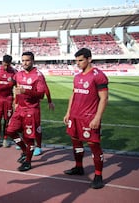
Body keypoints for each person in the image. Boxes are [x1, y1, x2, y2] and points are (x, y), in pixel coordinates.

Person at [63, 48, 108, 189]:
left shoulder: (98, 75)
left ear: (89, 59)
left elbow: (104, 98)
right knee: (76, 142)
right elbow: (74, 95)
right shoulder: (77, 76)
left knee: (94, 145)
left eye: (80, 60)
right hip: (75, 117)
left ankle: (98, 175)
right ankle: (78, 167)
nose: (78, 63)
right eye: (76, 61)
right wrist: (68, 112)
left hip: (89, 118)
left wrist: (97, 118)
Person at [6, 51, 47, 172]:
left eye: (27, 60)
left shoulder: (38, 75)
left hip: (32, 110)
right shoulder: (19, 74)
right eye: (23, 60)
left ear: (33, 61)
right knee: (10, 131)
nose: (24, 63)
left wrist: (26, 92)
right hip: (20, 109)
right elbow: (14, 86)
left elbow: (41, 95)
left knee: (29, 137)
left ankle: (28, 162)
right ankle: (24, 151)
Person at [0, 55, 17, 148]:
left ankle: (5, 139)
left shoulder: (14, 72)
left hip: (8, 99)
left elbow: (11, 85)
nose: (5, 67)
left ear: (10, 63)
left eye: (7, 65)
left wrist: (15, 100)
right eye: (4, 65)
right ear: (2, 62)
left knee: (7, 120)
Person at [31, 82, 55, 156]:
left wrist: (49, 101)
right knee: (23, 125)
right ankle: (28, 144)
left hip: (34, 105)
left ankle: (38, 146)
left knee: (36, 126)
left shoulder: (38, 75)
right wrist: (16, 102)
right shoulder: (21, 74)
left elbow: (45, 88)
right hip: (22, 105)